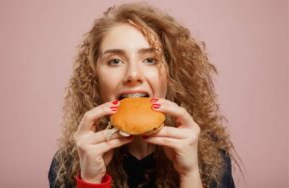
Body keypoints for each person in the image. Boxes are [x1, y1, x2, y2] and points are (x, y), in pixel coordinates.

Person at [48, 3, 239, 188]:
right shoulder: (67, 165)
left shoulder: (212, 160)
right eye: (115, 61)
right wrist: (90, 180)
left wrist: (189, 175)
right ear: (94, 76)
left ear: (171, 74)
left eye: (150, 60)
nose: (133, 75)